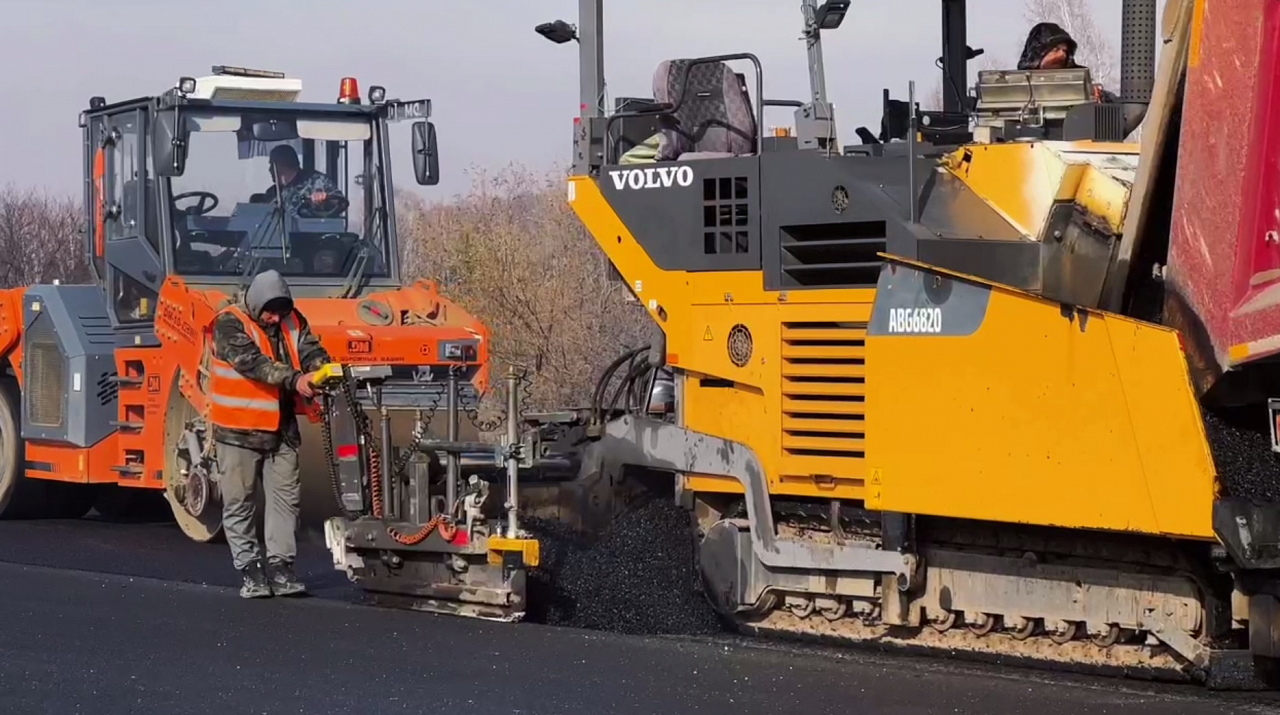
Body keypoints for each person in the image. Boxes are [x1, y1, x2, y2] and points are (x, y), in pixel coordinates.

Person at [208, 269, 331, 598]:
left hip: (282, 431)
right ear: (255, 303)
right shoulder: (228, 324)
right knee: (240, 503)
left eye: (281, 312)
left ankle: (280, 569)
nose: (275, 319)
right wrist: (297, 381)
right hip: (237, 434)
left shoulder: (292, 320)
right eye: (270, 312)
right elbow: (254, 364)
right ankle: (251, 572)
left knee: (285, 502)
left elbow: (310, 350)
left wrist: (322, 370)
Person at [261, 144, 343, 217]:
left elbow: (340, 203)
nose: (270, 169)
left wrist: (323, 200)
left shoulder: (317, 181)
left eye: (272, 164)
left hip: (311, 232)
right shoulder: (272, 193)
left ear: (283, 164)